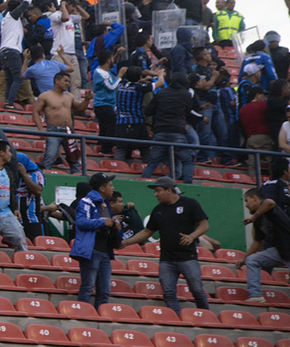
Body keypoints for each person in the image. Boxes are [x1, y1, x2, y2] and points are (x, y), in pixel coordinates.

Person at [120, 176, 210, 314]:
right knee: (168, 293)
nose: (155, 194)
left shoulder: (190, 203)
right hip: (166, 259)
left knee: (197, 290)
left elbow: (204, 225)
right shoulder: (158, 210)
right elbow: (147, 231)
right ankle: (176, 318)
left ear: (169, 190)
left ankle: (206, 315)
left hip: (187, 257)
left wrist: (192, 236)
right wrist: (126, 242)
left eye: (158, 190)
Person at [141, 72, 204, 184]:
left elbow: (148, 111)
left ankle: (142, 183)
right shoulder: (186, 95)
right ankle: (188, 185)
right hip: (177, 132)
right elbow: (188, 112)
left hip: (160, 132)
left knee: (153, 163)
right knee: (187, 160)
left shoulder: (161, 93)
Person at [72, 172, 119, 307]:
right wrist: (103, 222)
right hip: (91, 250)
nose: (113, 187)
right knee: (88, 287)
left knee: (105, 290)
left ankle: (101, 318)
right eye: (110, 185)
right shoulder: (86, 202)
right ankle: (82, 316)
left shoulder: (104, 204)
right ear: (102, 188)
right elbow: (80, 222)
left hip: (104, 251)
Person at [237, 187, 290, 303]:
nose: (246, 205)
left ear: (254, 198)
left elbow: (270, 202)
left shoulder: (267, 207)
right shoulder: (258, 220)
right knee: (252, 260)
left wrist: (253, 217)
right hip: (281, 251)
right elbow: (258, 242)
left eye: (247, 200)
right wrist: (244, 258)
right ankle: (256, 295)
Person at [34, 72, 93, 174]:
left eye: (69, 82)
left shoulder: (69, 96)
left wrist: (87, 100)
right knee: (50, 156)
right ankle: (42, 178)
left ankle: (77, 178)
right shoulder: (45, 96)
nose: (68, 84)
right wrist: (40, 128)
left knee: (74, 157)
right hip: (53, 130)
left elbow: (80, 108)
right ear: (57, 81)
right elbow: (35, 111)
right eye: (65, 81)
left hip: (68, 130)